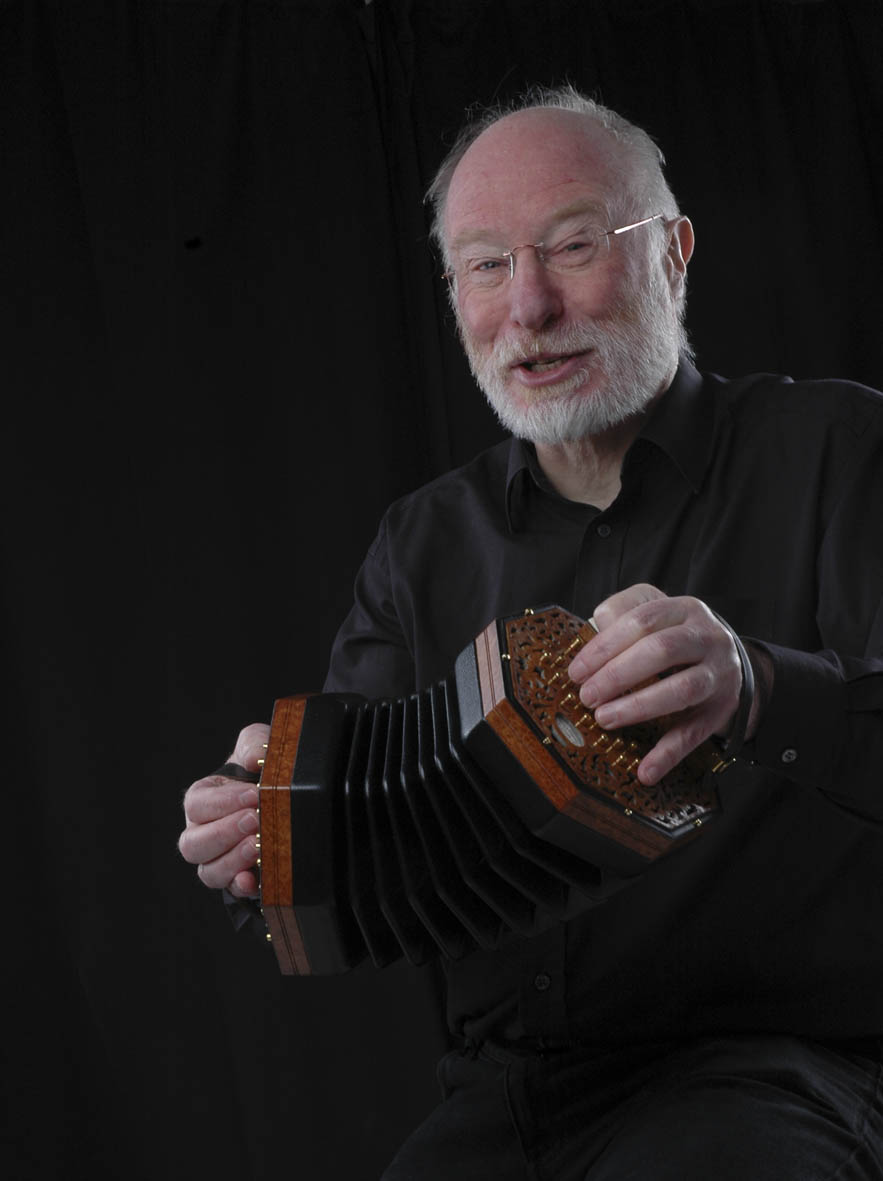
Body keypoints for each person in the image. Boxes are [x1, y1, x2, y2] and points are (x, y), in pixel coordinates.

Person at [179, 86, 883, 1178]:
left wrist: (757, 686)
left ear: (674, 252)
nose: (531, 307)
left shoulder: (839, 447)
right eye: (486, 265)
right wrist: (255, 835)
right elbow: (351, 836)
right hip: (502, 1098)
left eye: (571, 244)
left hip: (780, 1075)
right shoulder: (420, 544)